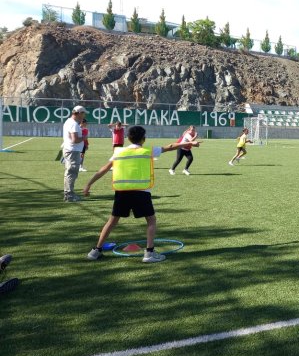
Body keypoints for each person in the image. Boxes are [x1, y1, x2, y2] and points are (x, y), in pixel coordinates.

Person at [84, 125, 200, 263]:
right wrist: (189, 143)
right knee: (151, 220)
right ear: (144, 139)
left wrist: (89, 184)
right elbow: (170, 146)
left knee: (112, 221)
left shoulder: (119, 152)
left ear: (128, 138)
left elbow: (104, 168)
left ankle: (95, 251)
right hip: (141, 192)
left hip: (122, 192)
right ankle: (149, 253)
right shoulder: (148, 151)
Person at [62, 105, 88, 202]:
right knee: (72, 173)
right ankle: (69, 195)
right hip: (72, 151)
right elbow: (75, 140)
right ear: (79, 113)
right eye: (83, 113)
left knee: (69, 173)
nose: (84, 116)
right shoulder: (74, 124)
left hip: (70, 150)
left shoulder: (69, 121)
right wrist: (84, 137)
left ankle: (68, 193)